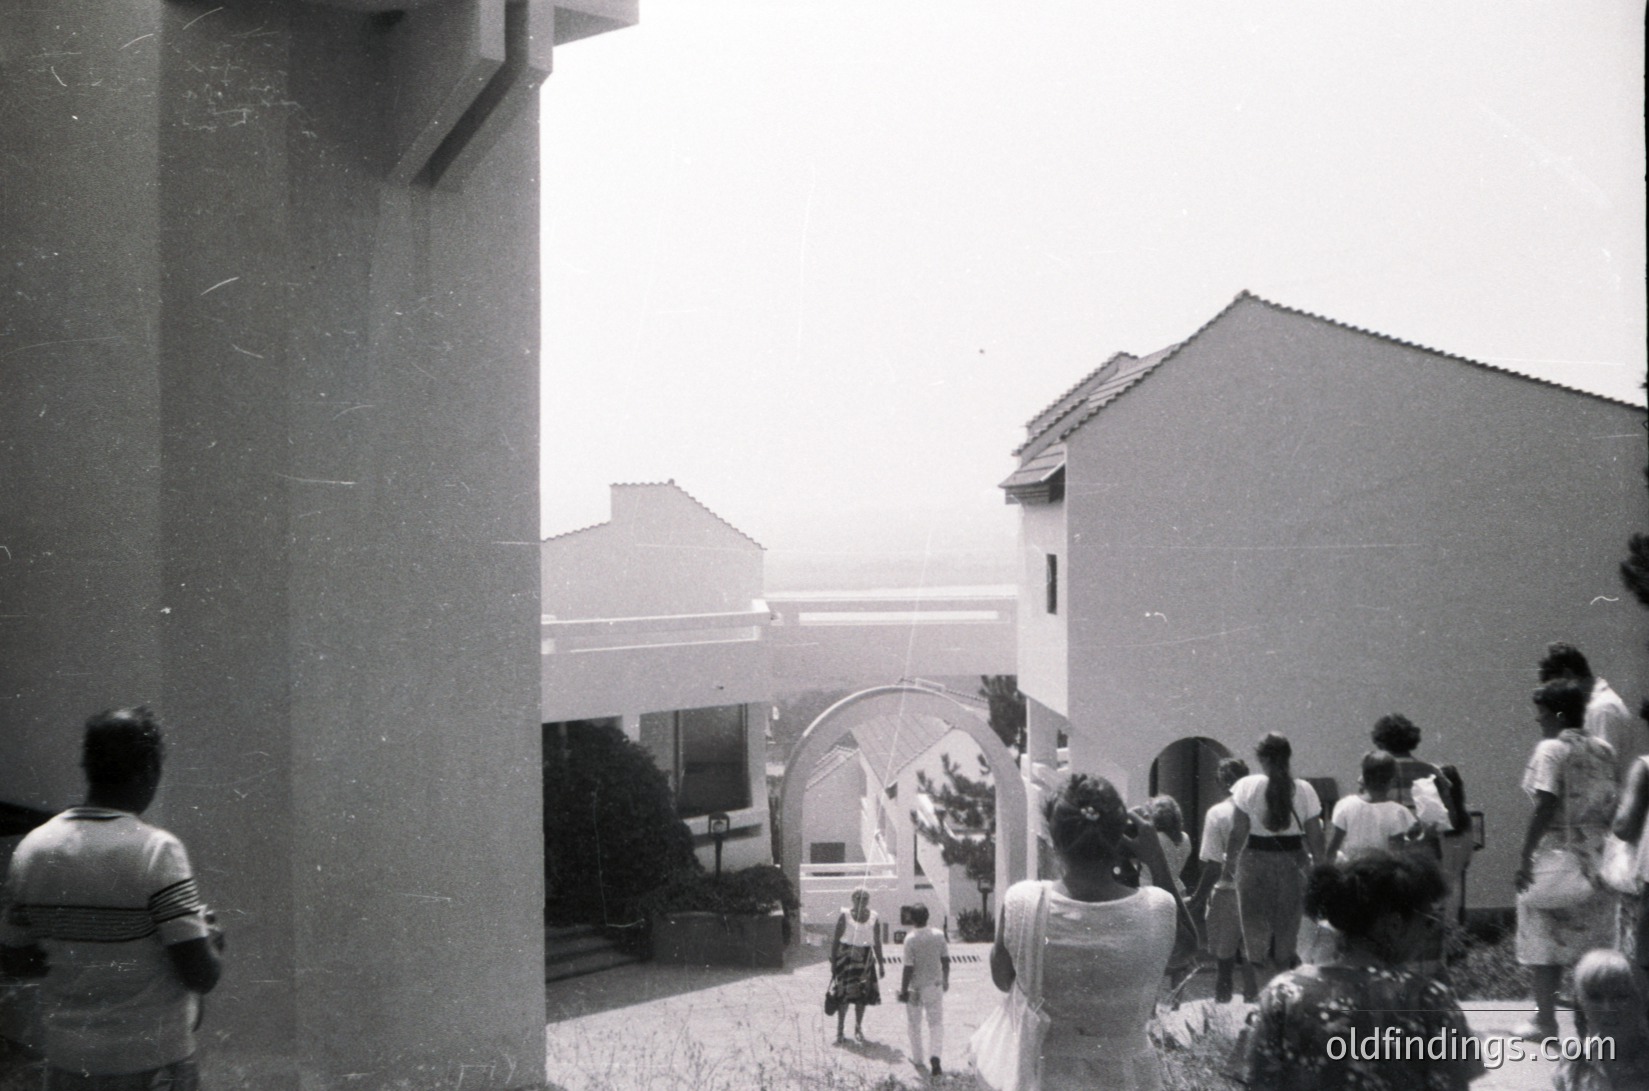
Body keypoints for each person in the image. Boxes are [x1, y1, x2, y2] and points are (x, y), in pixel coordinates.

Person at [1, 708, 223, 1090]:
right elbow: (200, 974)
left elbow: (14, 960)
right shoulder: (157, 850)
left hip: (69, 1062)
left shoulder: (33, 849)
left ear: (87, 766)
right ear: (150, 770)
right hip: (154, 1063)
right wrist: (212, 940)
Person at [985, 774, 1179, 1089]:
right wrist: (1156, 860)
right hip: (1127, 1076)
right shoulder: (1157, 907)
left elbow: (1002, 978)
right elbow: (1186, 947)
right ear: (1121, 834)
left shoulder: (1023, 901)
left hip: (1046, 1076)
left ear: (1052, 836)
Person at [1244, 850, 1484, 1090]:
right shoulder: (1429, 1000)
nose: (1430, 933)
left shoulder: (1281, 994)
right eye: (1428, 922)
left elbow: (1255, 1082)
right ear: (1394, 925)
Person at [1515, 678, 1619, 1041]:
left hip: (1558, 851)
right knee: (1593, 943)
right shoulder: (1604, 750)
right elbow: (1611, 802)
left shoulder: (1551, 750)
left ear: (1558, 714)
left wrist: (1525, 855)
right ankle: (1592, 1027)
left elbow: (1545, 802)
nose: (1538, 721)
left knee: (1545, 938)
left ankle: (1544, 1021)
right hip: (1597, 857)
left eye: (1541, 714)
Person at [1223, 733, 1324, 974]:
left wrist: (1227, 866)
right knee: (1287, 930)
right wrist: (1321, 869)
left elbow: (1238, 832)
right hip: (1293, 861)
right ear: (1288, 756)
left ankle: (1262, 994)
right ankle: (1282, 989)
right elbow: (1315, 837)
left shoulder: (1246, 786)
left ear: (1261, 758)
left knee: (1255, 929)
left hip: (1254, 860)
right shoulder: (1305, 790)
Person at [1188, 758, 1259, 1004]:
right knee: (1252, 956)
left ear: (1222, 782)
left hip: (1227, 892)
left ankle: (1223, 1010)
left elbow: (1213, 864)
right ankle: (1251, 1007)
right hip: (1258, 890)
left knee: (1224, 960)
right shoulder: (1261, 812)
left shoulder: (1217, 813)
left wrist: (1197, 898)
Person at [1541, 642, 1643, 781]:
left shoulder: (1602, 710)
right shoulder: (1594, 707)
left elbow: (1603, 773)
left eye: (1555, 686)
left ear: (1567, 675)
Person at [1553, 948, 1649, 1091]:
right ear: (1581, 1003)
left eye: (1620, 997)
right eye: (1595, 998)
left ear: (1642, 1001)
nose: (1607, 1008)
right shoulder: (1574, 1060)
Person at [1325, 750, 1420, 863]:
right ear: (1393, 781)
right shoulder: (1398, 812)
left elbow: (1333, 846)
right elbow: (1397, 854)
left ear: (1363, 778)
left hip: (1351, 871)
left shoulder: (1345, 805)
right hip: (1382, 873)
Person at [897, 903, 949, 1078]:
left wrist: (903, 989)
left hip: (915, 988)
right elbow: (946, 960)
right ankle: (935, 1055)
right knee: (936, 1024)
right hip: (934, 985)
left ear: (911, 918)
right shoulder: (939, 935)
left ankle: (918, 1058)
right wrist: (946, 980)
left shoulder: (910, 939)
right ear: (927, 916)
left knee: (914, 1024)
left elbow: (908, 968)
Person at [829, 887, 884, 1043]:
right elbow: (836, 940)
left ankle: (858, 1028)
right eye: (858, 898)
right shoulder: (845, 916)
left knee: (862, 997)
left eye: (865, 898)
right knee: (844, 996)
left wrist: (881, 964)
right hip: (846, 959)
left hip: (866, 959)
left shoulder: (874, 917)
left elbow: (877, 942)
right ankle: (840, 1031)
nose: (862, 901)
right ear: (853, 899)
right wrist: (833, 962)